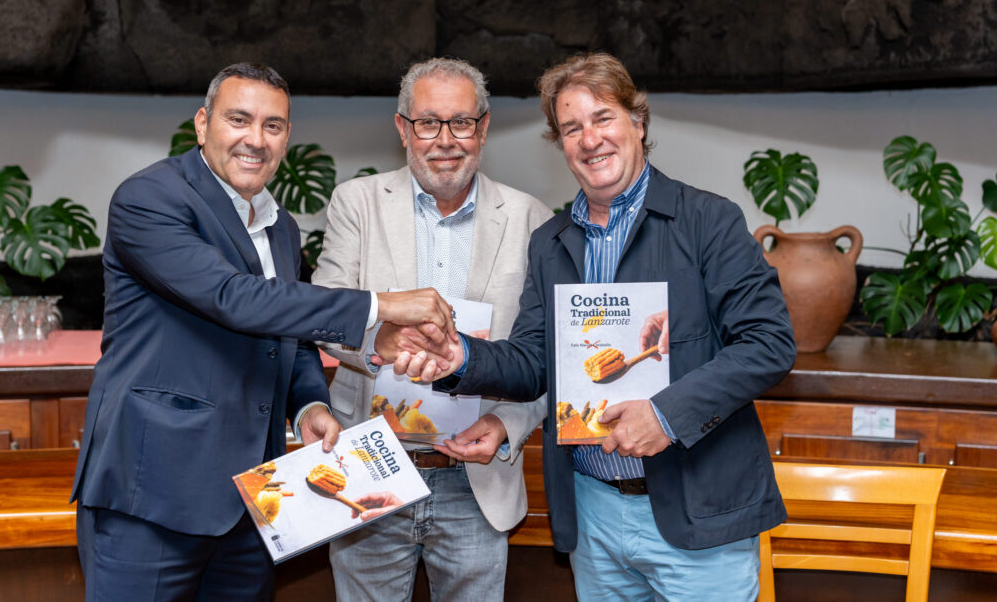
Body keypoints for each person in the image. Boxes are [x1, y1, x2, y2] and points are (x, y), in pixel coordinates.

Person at [398, 53, 796, 601]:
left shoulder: (709, 220)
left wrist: (665, 414)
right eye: (572, 127)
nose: (590, 139)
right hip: (594, 513)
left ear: (638, 122)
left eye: (603, 117)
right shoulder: (552, 242)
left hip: (696, 510)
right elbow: (535, 359)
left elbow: (769, 343)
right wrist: (461, 358)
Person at [71, 62, 455, 602]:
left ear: (287, 137)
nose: (255, 139)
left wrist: (309, 406)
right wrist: (382, 304)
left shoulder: (280, 225)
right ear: (203, 124)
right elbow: (234, 299)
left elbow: (285, 333)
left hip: (254, 500)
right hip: (153, 495)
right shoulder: (150, 198)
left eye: (273, 126)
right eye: (239, 119)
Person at [312, 57, 551, 602]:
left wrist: (509, 422)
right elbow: (324, 313)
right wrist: (378, 344)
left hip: (475, 480)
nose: (445, 140)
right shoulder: (358, 203)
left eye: (461, 122)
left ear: (483, 128)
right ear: (403, 128)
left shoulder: (531, 217)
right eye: (428, 123)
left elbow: (545, 355)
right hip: (372, 468)